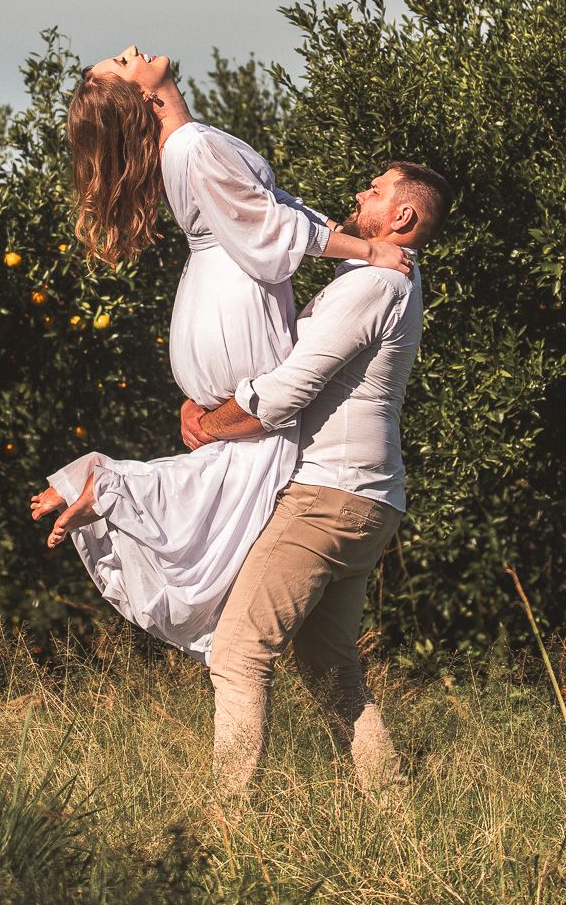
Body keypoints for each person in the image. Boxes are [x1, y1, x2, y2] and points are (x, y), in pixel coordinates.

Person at [29, 45, 411, 660]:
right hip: (235, 298)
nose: (132, 51)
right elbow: (270, 228)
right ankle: (111, 491)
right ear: (141, 97)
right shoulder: (189, 146)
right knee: (260, 451)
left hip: (214, 300)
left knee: (240, 464)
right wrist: (369, 253)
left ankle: (108, 489)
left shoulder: (183, 146)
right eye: (121, 64)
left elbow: (274, 211)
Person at [181, 158, 451, 794]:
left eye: (376, 190)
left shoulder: (372, 286)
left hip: (327, 496)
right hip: (368, 498)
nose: (361, 193)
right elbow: (284, 214)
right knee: (332, 670)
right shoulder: (384, 281)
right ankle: (394, 813)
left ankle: (227, 825)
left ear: (403, 217)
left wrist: (211, 425)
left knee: (239, 654)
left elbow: (287, 390)